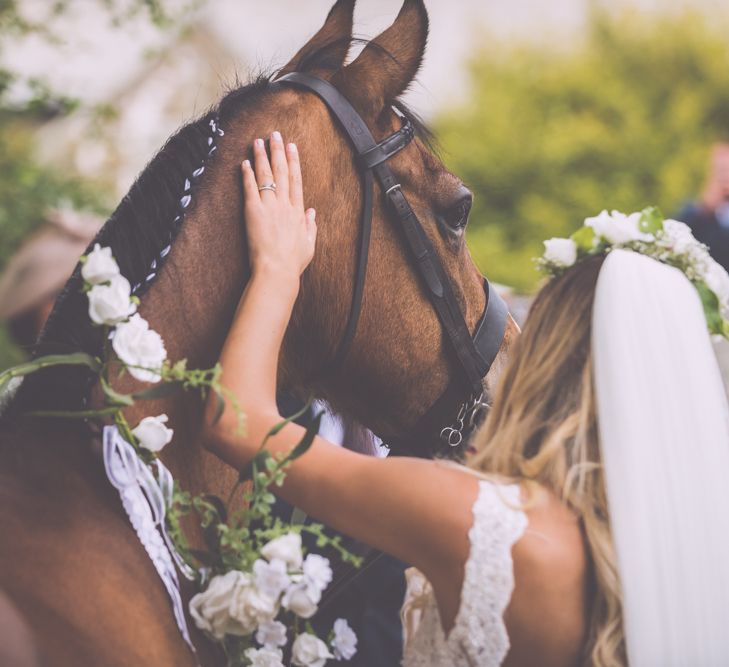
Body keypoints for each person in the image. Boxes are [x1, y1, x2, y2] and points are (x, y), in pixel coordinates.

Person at [200, 131, 729, 665]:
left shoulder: (479, 518)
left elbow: (235, 422)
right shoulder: (687, 555)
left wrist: (277, 269)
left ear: (547, 356)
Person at [677, 141, 729, 272]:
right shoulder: (696, 210)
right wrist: (704, 207)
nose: (724, 177)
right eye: (720, 170)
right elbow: (675, 236)